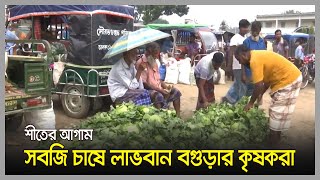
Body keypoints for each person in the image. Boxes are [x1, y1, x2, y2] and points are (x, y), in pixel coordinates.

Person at [234, 45, 302, 148]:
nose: (240, 63)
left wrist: (250, 103)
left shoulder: (254, 60)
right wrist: (260, 94)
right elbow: (265, 82)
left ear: (243, 55)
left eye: (239, 60)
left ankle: (273, 146)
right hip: (287, 79)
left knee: (276, 113)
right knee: (276, 114)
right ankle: (275, 142)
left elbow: (258, 85)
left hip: (289, 80)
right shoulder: (256, 55)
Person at [136, 42, 182, 117]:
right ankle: (160, 117)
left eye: (157, 54)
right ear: (148, 53)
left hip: (158, 88)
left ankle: (178, 116)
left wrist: (166, 87)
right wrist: (160, 90)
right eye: (155, 54)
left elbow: (159, 79)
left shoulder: (154, 62)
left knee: (175, 92)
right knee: (158, 95)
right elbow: (144, 84)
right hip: (148, 91)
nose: (157, 56)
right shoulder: (141, 63)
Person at [222, 19, 251, 104]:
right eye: (244, 27)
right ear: (240, 28)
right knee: (241, 87)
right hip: (237, 66)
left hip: (244, 67)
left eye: (247, 28)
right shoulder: (235, 38)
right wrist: (229, 66)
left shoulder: (245, 38)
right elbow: (231, 53)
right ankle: (239, 106)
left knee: (237, 85)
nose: (246, 29)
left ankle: (227, 99)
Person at [242, 21, 266, 105]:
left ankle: (256, 112)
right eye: (253, 30)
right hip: (249, 73)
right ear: (251, 30)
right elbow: (243, 60)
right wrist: (244, 74)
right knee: (249, 95)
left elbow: (264, 58)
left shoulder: (263, 42)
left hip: (260, 73)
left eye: (256, 30)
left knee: (258, 94)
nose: (255, 32)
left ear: (259, 30)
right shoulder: (246, 42)